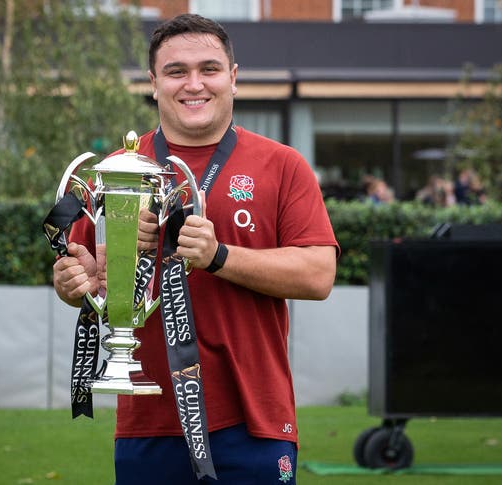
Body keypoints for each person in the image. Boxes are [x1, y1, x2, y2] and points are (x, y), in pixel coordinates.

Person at [52, 13, 339, 484]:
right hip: (149, 419)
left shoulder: (282, 165)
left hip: (254, 420)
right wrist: (71, 282)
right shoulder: (115, 171)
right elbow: (82, 272)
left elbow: (318, 274)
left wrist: (218, 256)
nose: (194, 84)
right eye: (176, 71)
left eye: (208, 69)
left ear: (233, 77)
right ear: (153, 83)